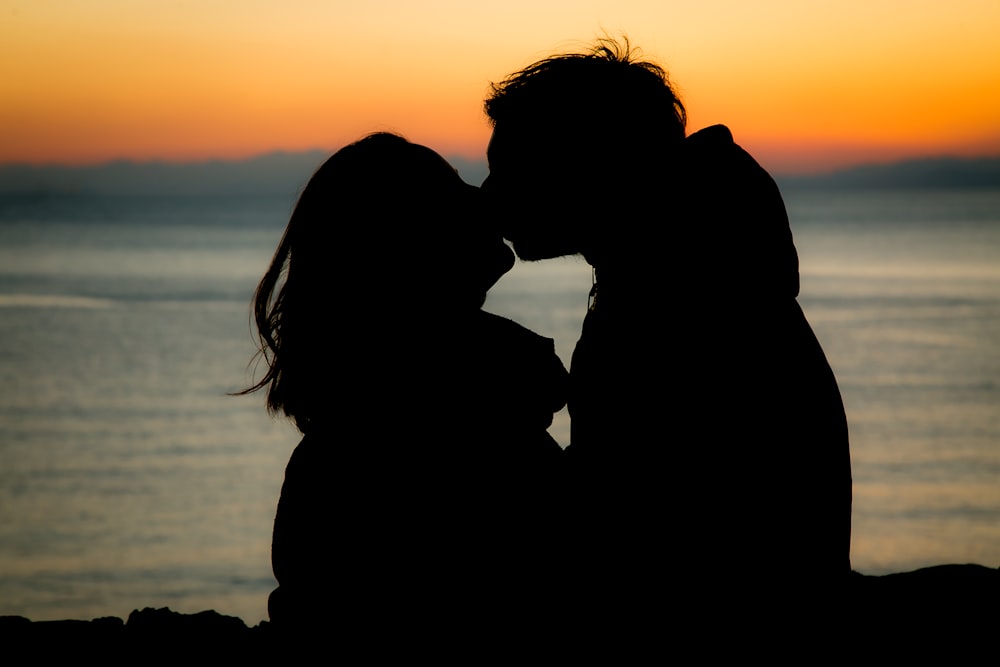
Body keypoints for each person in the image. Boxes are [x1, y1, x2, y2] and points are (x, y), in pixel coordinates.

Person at [481, 38, 852, 618]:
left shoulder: (680, 305)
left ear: (583, 164)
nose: (490, 196)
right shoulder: (689, 271)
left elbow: (633, 524)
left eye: (509, 170)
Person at [238, 132, 569, 645]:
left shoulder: (427, 407)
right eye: (452, 185)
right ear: (408, 241)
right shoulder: (453, 429)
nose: (481, 195)